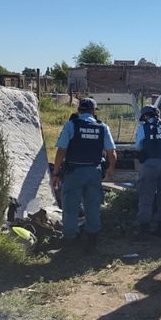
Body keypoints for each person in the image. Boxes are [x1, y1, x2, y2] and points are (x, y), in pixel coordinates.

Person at [51, 98, 116, 252]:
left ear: (79, 110)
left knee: (70, 207)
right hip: (94, 172)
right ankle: (92, 240)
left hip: (74, 172)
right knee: (93, 206)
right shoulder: (102, 127)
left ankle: (70, 241)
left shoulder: (71, 125)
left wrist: (55, 172)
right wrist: (111, 168)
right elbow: (111, 152)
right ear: (94, 111)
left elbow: (61, 150)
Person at [134, 105, 161, 237]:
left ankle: (144, 228)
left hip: (150, 164)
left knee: (146, 195)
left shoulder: (143, 127)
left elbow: (138, 146)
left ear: (146, 116)